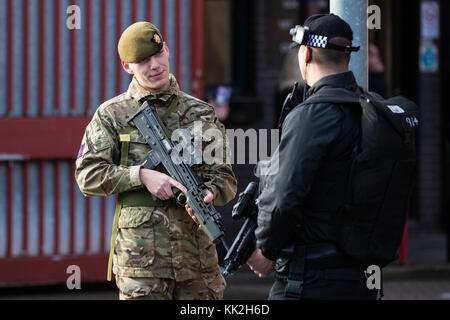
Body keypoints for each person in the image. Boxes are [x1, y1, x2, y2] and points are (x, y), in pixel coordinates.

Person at [75, 21, 237, 300]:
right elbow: (88, 175)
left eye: (158, 55)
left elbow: (225, 177)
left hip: (197, 261)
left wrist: (211, 192)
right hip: (141, 264)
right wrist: (141, 176)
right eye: (143, 61)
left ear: (168, 51)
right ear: (128, 67)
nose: (155, 65)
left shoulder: (200, 113)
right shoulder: (112, 115)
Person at [247, 14, 379, 300]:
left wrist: (266, 250)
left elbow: (284, 196)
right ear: (347, 57)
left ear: (305, 53)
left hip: (308, 278)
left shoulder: (310, 115)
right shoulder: (370, 110)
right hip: (358, 277)